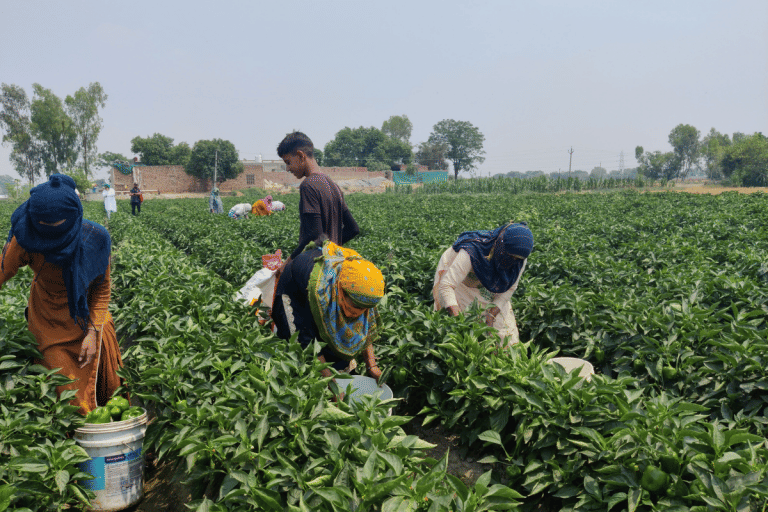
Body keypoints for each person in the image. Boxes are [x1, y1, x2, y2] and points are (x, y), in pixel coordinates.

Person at [1, 174, 122, 415]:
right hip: (50, 318)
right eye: (45, 230)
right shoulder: (26, 239)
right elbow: (2, 270)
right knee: (66, 391)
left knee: (107, 388)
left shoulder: (94, 238)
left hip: (87, 314)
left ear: (74, 217)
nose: (52, 239)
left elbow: (101, 288)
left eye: (59, 230)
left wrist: (92, 330)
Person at [272, 237, 383, 386]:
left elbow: (365, 325)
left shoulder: (363, 289)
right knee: (299, 344)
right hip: (295, 288)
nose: (360, 312)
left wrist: (372, 365)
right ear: (341, 292)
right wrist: (331, 385)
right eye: (356, 306)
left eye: (364, 308)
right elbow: (306, 335)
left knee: (338, 333)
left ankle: (335, 374)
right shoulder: (320, 293)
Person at [433, 222, 534, 347]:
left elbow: (510, 289)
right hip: (460, 282)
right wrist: (460, 323)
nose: (512, 261)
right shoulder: (472, 250)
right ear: (500, 244)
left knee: (506, 336)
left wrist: (491, 316)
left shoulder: (519, 261)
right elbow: (447, 286)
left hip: (490, 286)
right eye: (510, 256)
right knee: (464, 330)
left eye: (517, 259)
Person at [277, 132, 359, 267]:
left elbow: (314, 235)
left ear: (301, 156)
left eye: (288, 162)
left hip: (315, 268)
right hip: (333, 266)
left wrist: (289, 262)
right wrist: (332, 247)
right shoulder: (333, 185)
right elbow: (353, 229)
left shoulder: (308, 185)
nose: (288, 168)